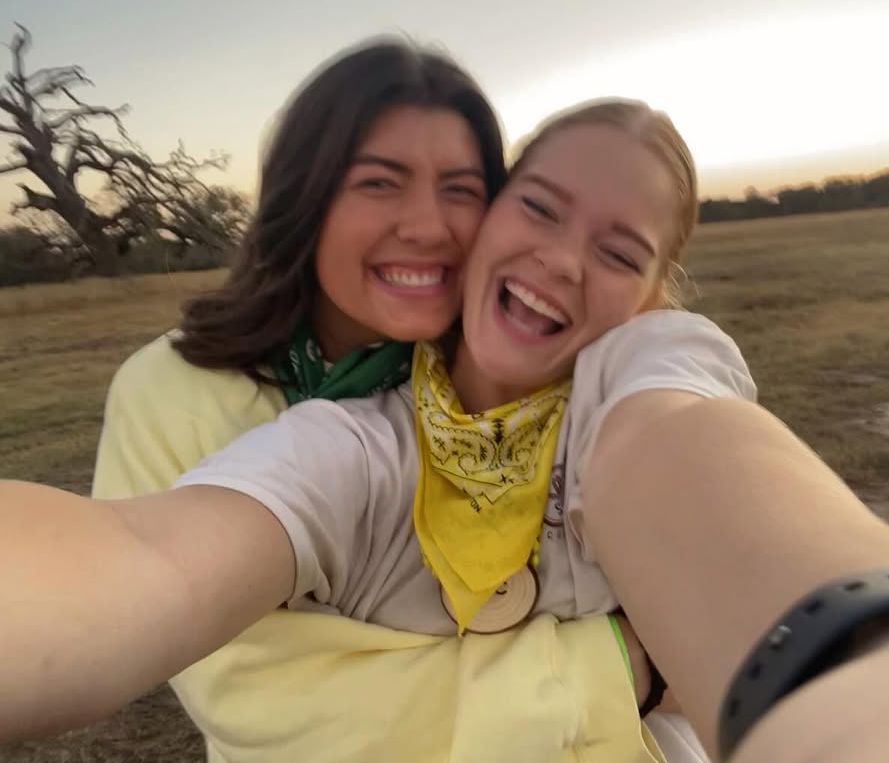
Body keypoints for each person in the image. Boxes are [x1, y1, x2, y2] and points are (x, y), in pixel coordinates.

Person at [1, 98, 752, 762]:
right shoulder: (347, 442)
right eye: (539, 208)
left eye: (619, 253)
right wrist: (629, 665)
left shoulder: (635, 389)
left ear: (651, 299)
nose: (561, 259)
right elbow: (155, 566)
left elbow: (696, 445)